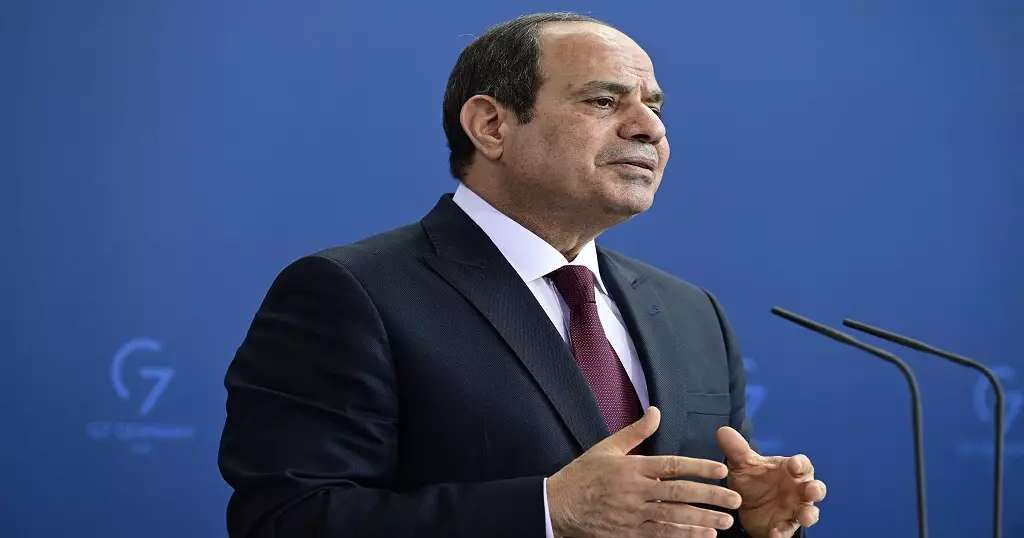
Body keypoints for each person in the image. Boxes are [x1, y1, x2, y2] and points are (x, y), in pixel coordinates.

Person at [218, 12, 826, 538]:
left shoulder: (693, 314)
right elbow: (288, 518)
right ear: (491, 126)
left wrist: (745, 521)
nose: (650, 128)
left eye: (655, 106)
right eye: (604, 101)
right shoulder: (352, 293)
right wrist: (547, 512)